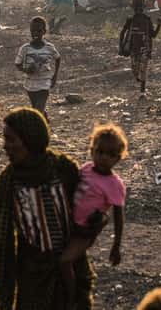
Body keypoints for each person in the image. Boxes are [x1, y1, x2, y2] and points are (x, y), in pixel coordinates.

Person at [0, 108, 93, 309]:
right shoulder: (9, 180)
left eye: (11, 140)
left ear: (30, 140)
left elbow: (87, 210)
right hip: (32, 275)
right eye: (5, 139)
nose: (5, 146)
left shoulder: (63, 169)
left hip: (71, 269)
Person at [60, 124, 127, 307]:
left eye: (111, 154)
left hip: (85, 231)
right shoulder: (86, 169)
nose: (104, 157)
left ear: (118, 158)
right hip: (69, 224)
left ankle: (71, 297)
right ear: (92, 150)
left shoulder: (114, 184)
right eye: (100, 152)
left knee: (64, 261)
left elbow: (118, 216)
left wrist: (116, 246)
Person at [15, 17, 61, 119]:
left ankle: (38, 124)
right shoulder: (25, 48)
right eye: (33, 31)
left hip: (44, 83)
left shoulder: (49, 47)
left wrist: (54, 76)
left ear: (44, 31)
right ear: (30, 31)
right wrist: (26, 69)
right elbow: (17, 63)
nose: (35, 33)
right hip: (30, 84)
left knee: (38, 109)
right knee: (36, 108)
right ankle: (44, 118)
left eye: (39, 31)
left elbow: (58, 58)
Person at [120, 0, 161, 97]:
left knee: (143, 69)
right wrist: (121, 46)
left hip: (144, 49)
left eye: (139, 7)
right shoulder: (131, 20)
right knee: (135, 70)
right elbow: (122, 32)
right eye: (137, 7)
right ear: (134, 8)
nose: (138, 9)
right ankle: (141, 83)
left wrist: (159, 25)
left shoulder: (147, 20)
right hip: (134, 49)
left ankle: (142, 90)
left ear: (143, 8)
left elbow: (153, 35)